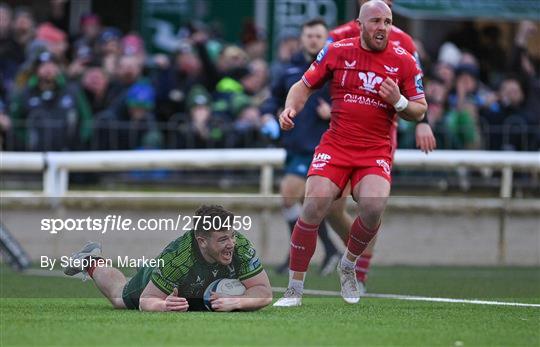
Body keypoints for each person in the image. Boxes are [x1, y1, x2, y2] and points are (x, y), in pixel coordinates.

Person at [273, 0, 427, 307]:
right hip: (337, 144)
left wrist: (398, 102)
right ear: (359, 25)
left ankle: (349, 263)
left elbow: (419, 110)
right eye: (375, 21)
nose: (382, 27)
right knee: (314, 206)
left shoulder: (404, 60)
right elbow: (303, 86)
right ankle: (294, 289)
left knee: (372, 206)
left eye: (387, 21)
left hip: (375, 149)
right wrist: (291, 108)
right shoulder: (337, 50)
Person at [322, 0, 436, 289]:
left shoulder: (404, 41)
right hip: (342, 129)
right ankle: (354, 256)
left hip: (380, 133)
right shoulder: (339, 36)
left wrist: (423, 122)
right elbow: (320, 70)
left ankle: (358, 274)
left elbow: (417, 85)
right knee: (330, 206)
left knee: (370, 205)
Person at [63, 205, 273, 312]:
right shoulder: (178, 258)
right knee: (120, 298)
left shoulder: (240, 246)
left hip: (186, 281)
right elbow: (147, 301)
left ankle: (148, 267)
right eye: (222, 239)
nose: (231, 244)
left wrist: (236, 302)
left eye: (232, 236)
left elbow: (264, 292)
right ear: (202, 241)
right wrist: (163, 306)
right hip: (164, 273)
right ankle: (91, 260)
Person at [260, 18, 340, 276]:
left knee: (289, 196)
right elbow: (272, 97)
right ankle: (327, 249)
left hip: (321, 146)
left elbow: (351, 101)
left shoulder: (335, 68)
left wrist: (334, 112)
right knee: (307, 205)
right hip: (294, 143)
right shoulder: (289, 69)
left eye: (318, 35)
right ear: (302, 38)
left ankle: (307, 252)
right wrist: (266, 114)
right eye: (309, 35)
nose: (313, 40)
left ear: (325, 38)